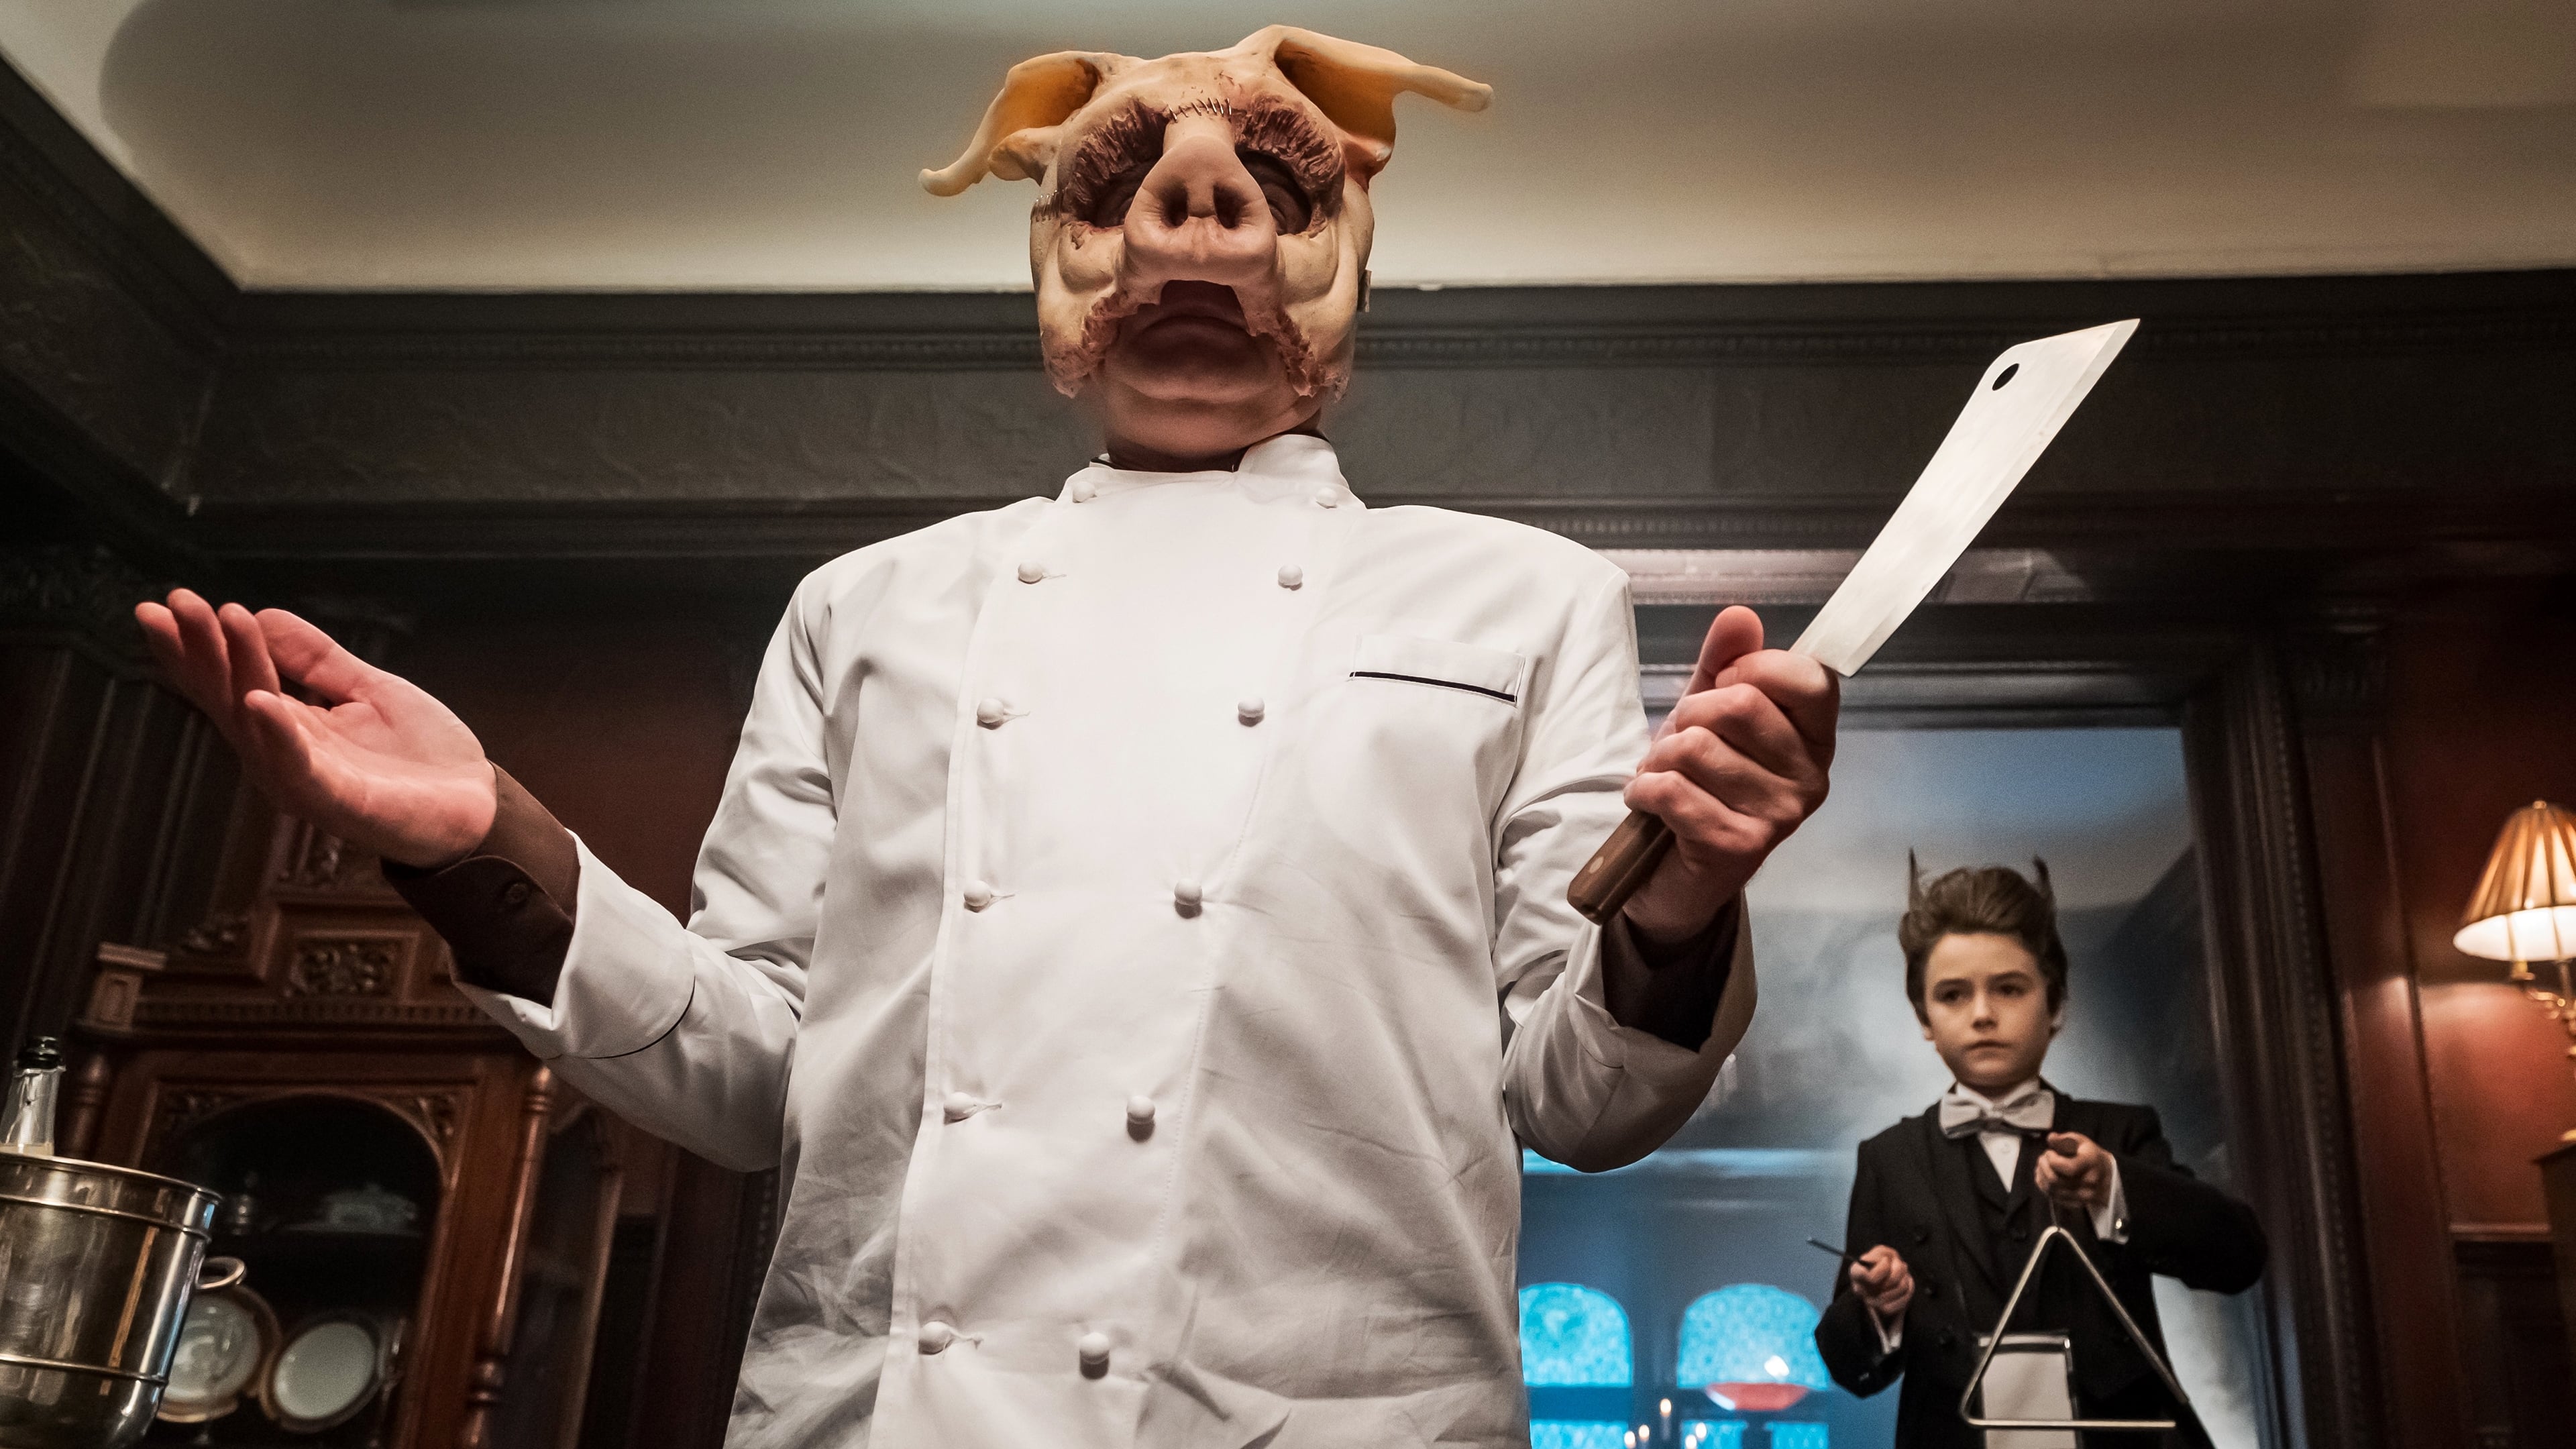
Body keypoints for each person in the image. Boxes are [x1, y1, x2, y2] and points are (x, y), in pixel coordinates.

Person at [136, 29, 1839, 1449]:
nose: (1196, 203)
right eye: (1115, 181)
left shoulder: (1520, 602)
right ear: (1048, 258)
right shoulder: (869, 607)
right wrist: (484, 846)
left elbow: (1579, 1096)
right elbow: (751, 1075)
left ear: (1351, 272)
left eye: (1275, 180)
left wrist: (1686, 897)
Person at [1814, 859, 2266, 1448]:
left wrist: (2113, 1188)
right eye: (1953, 995)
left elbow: (2239, 1258)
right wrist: (1877, 1308)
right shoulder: (1889, 1159)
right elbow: (1848, 1368)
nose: (1982, 1014)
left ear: (2055, 1006)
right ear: (1924, 1019)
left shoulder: (2119, 1134)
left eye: (2009, 988)